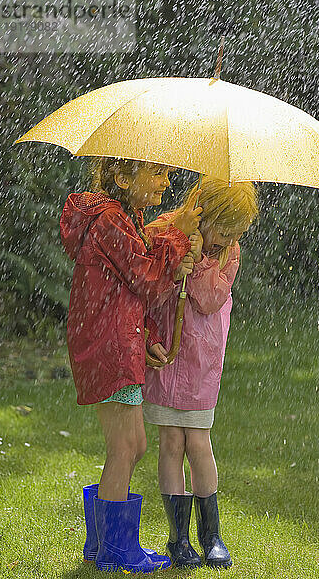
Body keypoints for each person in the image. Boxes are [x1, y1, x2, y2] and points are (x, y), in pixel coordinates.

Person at [60, 157, 203, 574]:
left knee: (134, 445)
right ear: (123, 178)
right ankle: (114, 550)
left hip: (117, 342)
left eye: (166, 171)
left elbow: (131, 290)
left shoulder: (125, 218)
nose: (166, 179)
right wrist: (177, 237)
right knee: (125, 447)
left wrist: (151, 338)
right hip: (110, 347)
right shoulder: (110, 223)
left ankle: (101, 542)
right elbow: (144, 278)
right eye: (156, 173)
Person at [143, 175, 259, 569]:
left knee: (198, 443)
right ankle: (178, 539)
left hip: (201, 362)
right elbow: (144, 285)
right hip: (168, 354)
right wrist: (177, 251)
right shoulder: (165, 230)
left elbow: (210, 300)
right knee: (171, 443)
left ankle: (212, 535)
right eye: (223, 230)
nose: (227, 240)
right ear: (202, 212)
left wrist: (197, 263)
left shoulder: (229, 254)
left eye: (235, 233)